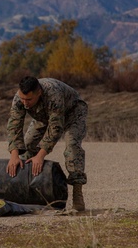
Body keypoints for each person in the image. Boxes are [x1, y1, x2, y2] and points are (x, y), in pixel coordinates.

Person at [5, 75, 88, 211]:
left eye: (29, 99)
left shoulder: (53, 93)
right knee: (27, 145)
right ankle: (27, 190)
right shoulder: (19, 98)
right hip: (43, 116)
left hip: (73, 113)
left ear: (39, 93)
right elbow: (14, 125)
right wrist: (14, 155)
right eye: (22, 98)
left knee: (72, 147)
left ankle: (77, 192)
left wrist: (40, 155)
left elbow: (56, 128)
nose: (25, 103)